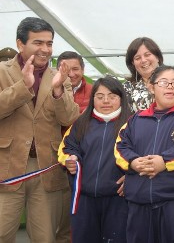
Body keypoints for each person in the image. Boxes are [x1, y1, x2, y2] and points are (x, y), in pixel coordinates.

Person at [0, 17, 79, 243]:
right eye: (38, 43)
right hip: (8, 166)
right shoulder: (2, 72)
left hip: (47, 167)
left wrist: (57, 93)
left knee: (45, 237)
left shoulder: (59, 76)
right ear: (20, 44)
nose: (45, 49)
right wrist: (22, 87)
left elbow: (70, 117)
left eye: (49, 43)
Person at [115, 65, 174, 243]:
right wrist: (133, 162)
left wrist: (164, 162)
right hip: (139, 199)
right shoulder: (136, 119)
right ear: (151, 87)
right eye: (164, 82)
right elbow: (120, 147)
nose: (170, 87)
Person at [58, 76, 130, 243]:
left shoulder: (132, 124)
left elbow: (142, 156)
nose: (106, 101)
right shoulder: (81, 123)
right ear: (93, 99)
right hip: (84, 200)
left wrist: (132, 177)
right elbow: (66, 147)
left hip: (119, 200)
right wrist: (71, 158)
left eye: (112, 96)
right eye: (100, 96)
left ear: (121, 98)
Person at [56, 51, 93, 243]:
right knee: (61, 218)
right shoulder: (51, 90)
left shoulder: (96, 92)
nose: (71, 73)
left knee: (83, 216)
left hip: (87, 162)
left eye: (76, 68)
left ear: (83, 70)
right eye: (65, 69)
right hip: (59, 160)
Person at [123, 37, 174, 113]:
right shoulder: (127, 87)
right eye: (137, 58)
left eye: (147, 55)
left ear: (157, 57)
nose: (143, 60)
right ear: (133, 63)